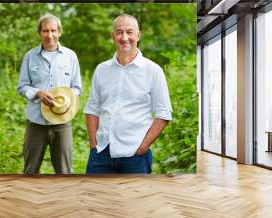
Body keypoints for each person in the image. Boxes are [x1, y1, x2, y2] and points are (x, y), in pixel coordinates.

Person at [84, 14, 172, 174]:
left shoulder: (153, 71)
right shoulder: (101, 70)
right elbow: (92, 109)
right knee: (94, 197)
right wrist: (93, 145)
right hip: (101, 154)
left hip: (135, 156)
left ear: (138, 35)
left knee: (134, 199)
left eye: (129, 32)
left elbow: (163, 114)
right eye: (119, 32)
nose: (124, 37)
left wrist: (143, 148)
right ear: (113, 37)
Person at [17, 13, 82, 174]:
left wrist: (65, 99)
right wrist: (38, 93)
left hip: (62, 123)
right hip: (36, 123)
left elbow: (77, 88)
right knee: (30, 170)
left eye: (53, 30)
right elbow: (22, 86)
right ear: (40, 33)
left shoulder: (70, 56)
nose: (50, 35)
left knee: (64, 171)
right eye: (45, 31)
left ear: (59, 32)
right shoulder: (30, 56)